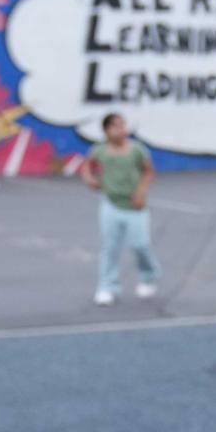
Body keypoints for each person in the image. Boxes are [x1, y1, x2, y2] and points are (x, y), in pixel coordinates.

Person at [79, 112, 159, 306]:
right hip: (111, 204)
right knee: (110, 248)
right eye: (115, 126)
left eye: (122, 125)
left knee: (141, 245)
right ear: (106, 130)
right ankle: (107, 287)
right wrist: (90, 179)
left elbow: (148, 171)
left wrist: (140, 192)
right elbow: (87, 166)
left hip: (134, 206)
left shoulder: (136, 150)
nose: (121, 130)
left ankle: (148, 276)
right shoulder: (100, 151)